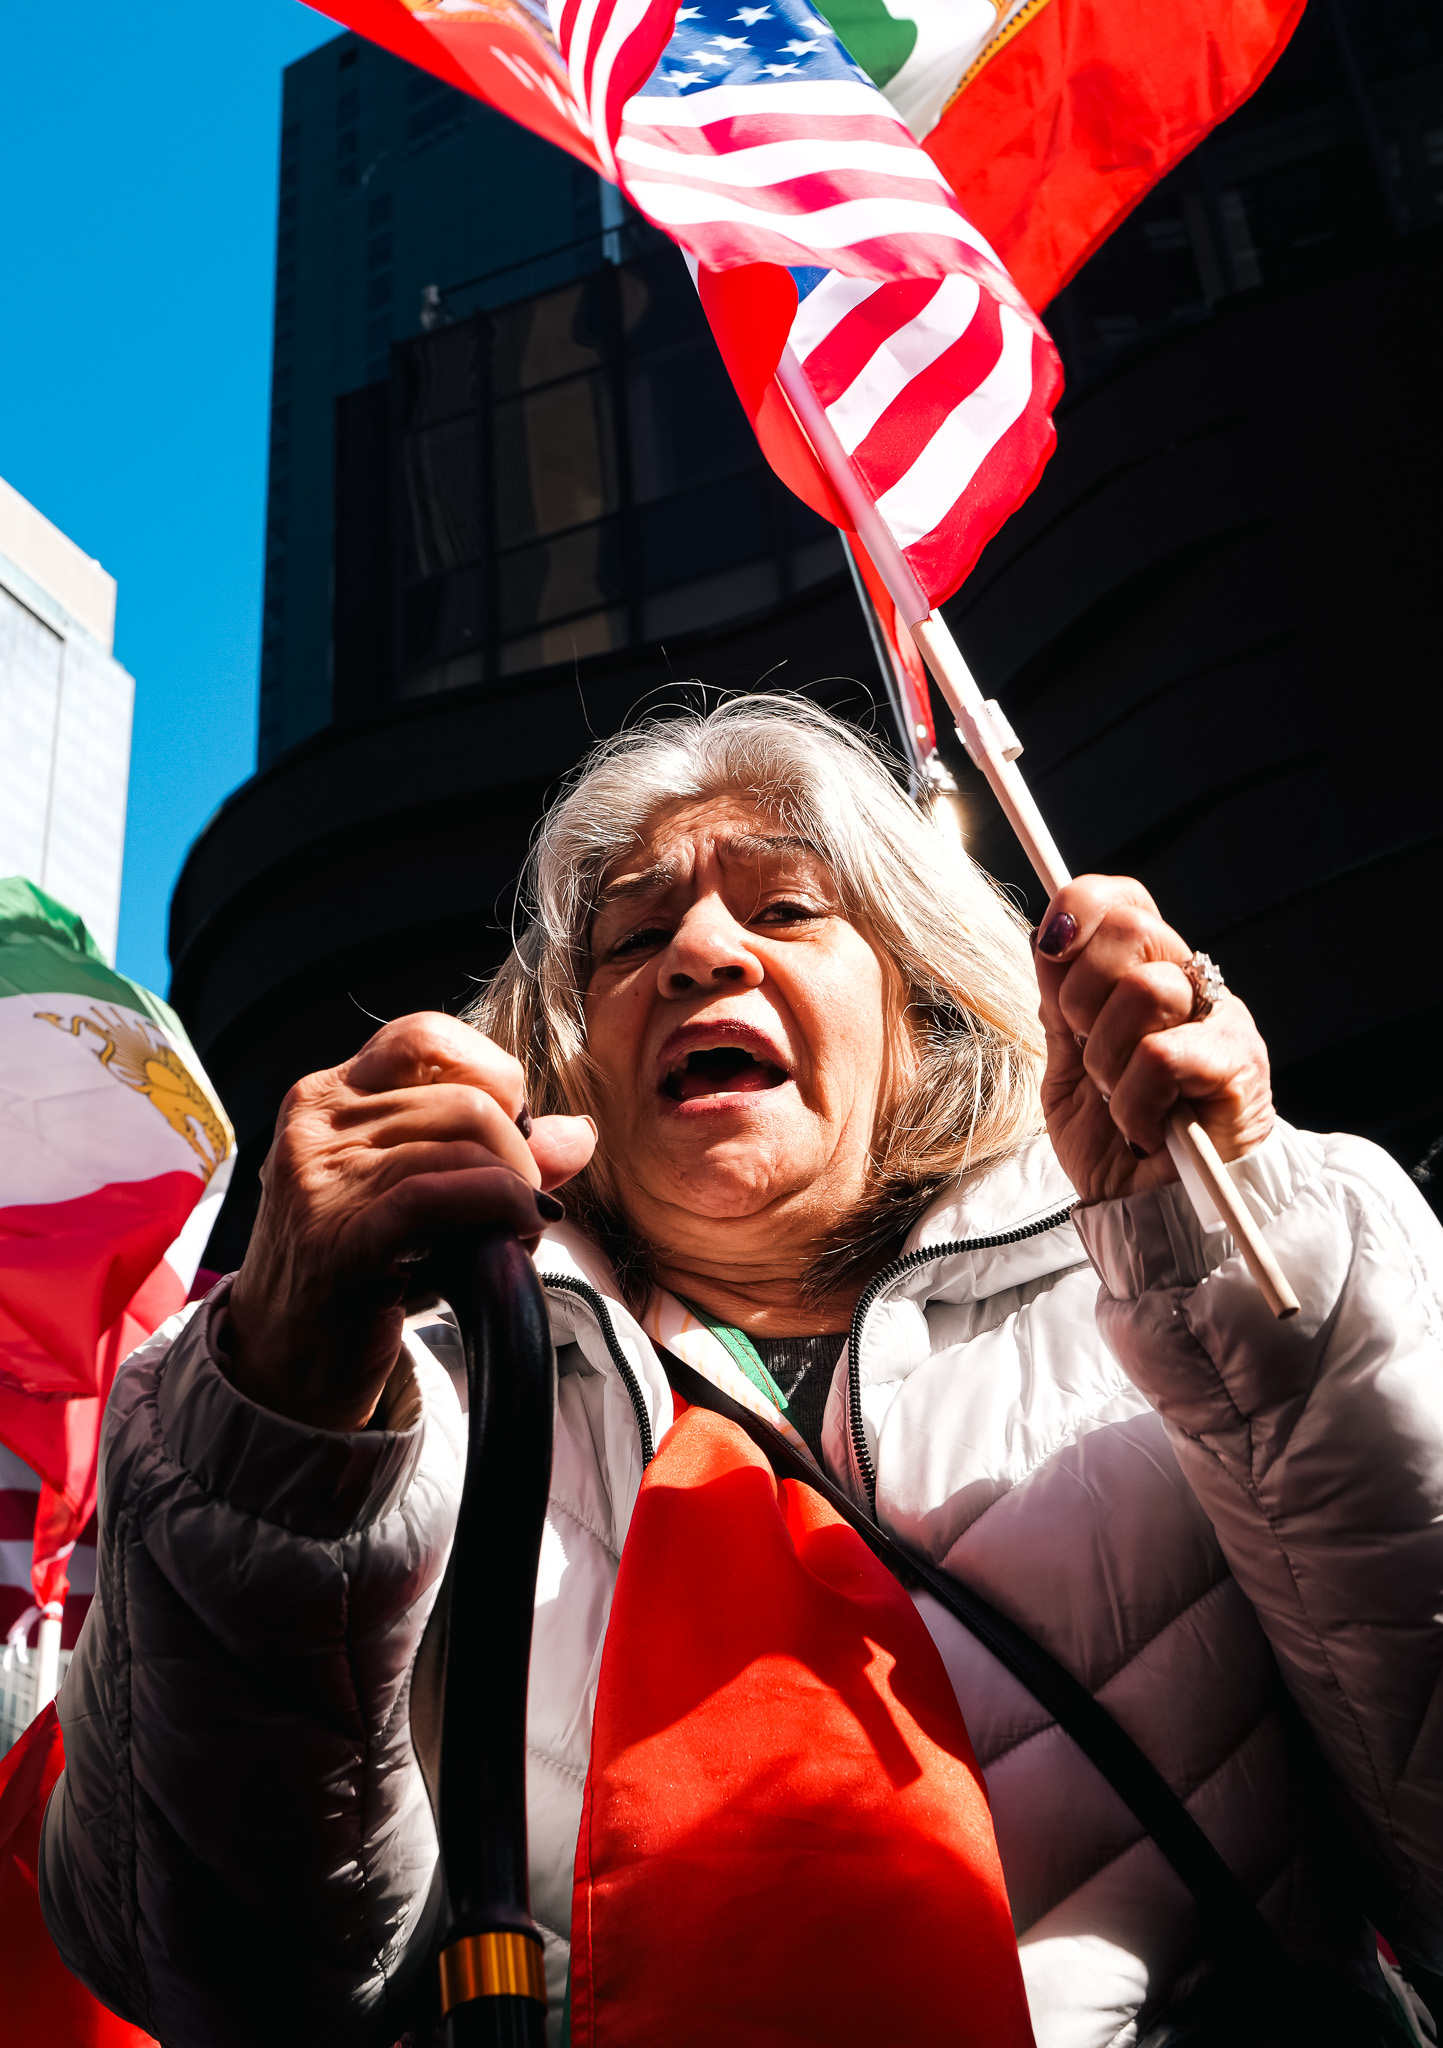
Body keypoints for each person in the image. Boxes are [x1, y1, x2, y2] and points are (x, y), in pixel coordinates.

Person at [39, 698, 1443, 2048]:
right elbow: (211, 1969)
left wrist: (1251, 1250)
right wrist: (281, 1407)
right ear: (571, 1052)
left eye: (784, 907)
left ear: (916, 1012)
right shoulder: (418, 1399)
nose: (700, 952)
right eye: (634, 935)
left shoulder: (1164, 1288)